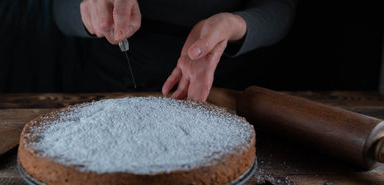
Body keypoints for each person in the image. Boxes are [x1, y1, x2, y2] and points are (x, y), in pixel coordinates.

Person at [54, 0, 297, 102]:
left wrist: (235, 25)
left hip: (219, 83)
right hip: (110, 83)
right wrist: (89, 12)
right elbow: (60, 10)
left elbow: (280, 8)